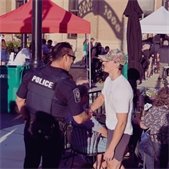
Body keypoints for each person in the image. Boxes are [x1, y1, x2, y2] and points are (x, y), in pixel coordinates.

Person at [16, 42, 92, 169]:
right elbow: (79, 118)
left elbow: (19, 100)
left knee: (30, 162)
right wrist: (89, 114)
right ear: (66, 57)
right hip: (53, 134)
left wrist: (27, 118)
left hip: (31, 129)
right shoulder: (67, 85)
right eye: (72, 58)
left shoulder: (33, 73)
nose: (72, 62)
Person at [89, 49, 134, 169]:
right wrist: (90, 110)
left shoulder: (122, 89)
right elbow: (102, 97)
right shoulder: (109, 79)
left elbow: (122, 122)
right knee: (111, 163)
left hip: (121, 131)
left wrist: (111, 148)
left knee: (112, 164)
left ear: (116, 63)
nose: (103, 62)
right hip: (111, 128)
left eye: (106, 61)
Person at [70, 85, 107, 169]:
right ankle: (99, 165)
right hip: (88, 146)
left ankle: (98, 164)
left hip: (75, 144)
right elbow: (105, 133)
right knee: (111, 143)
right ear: (83, 97)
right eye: (87, 96)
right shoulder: (85, 116)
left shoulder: (71, 112)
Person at [139, 87, 169, 169]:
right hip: (164, 141)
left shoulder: (155, 110)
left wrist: (140, 118)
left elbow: (143, 125)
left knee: (143, 148)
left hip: (157, 140)